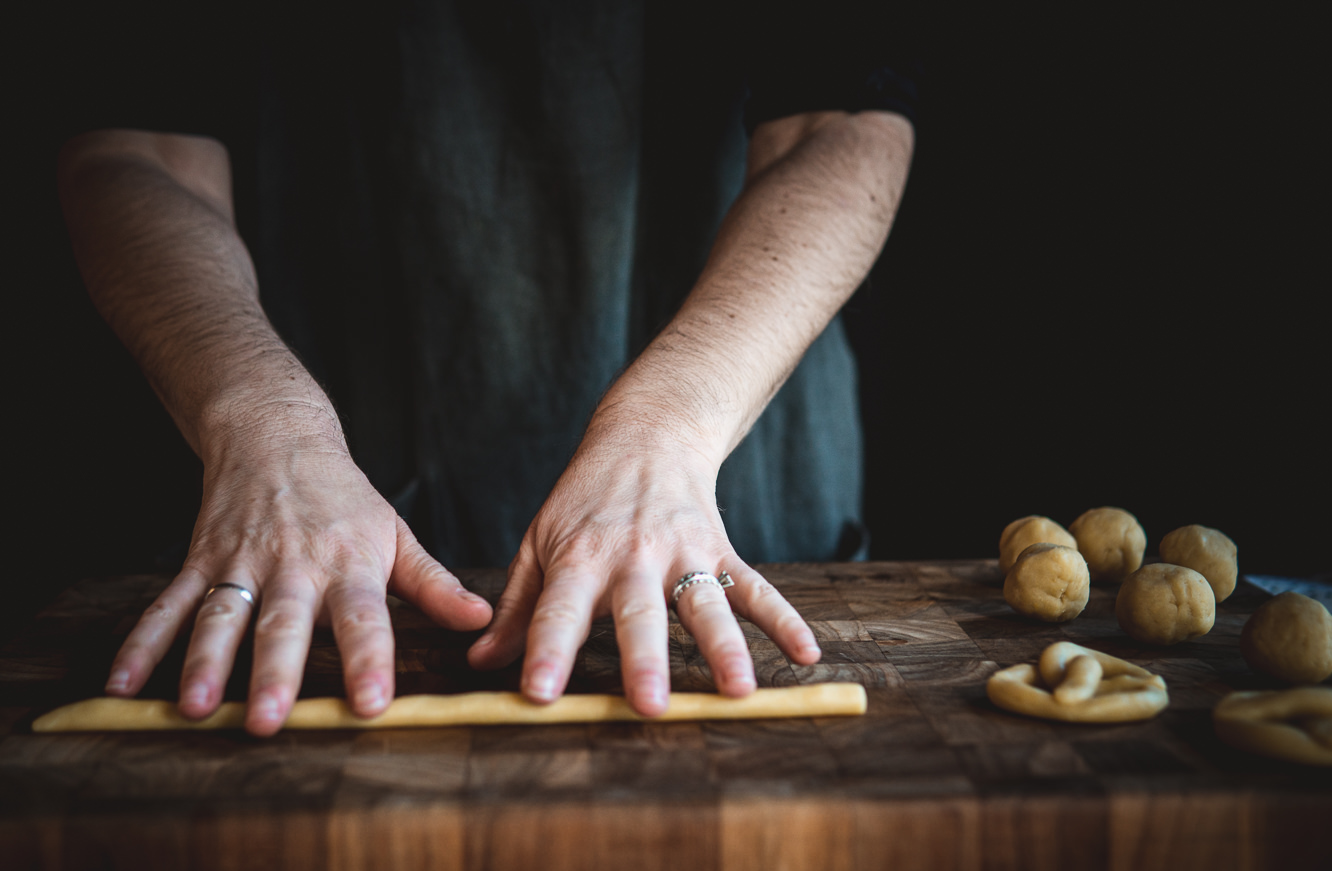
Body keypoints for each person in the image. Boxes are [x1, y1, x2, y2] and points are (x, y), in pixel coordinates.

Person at [57, 4, 916, 736]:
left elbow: (835, 122)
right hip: (308, 442)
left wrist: (671, 429)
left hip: (729, 418)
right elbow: (141, 147)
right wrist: (261, 427)